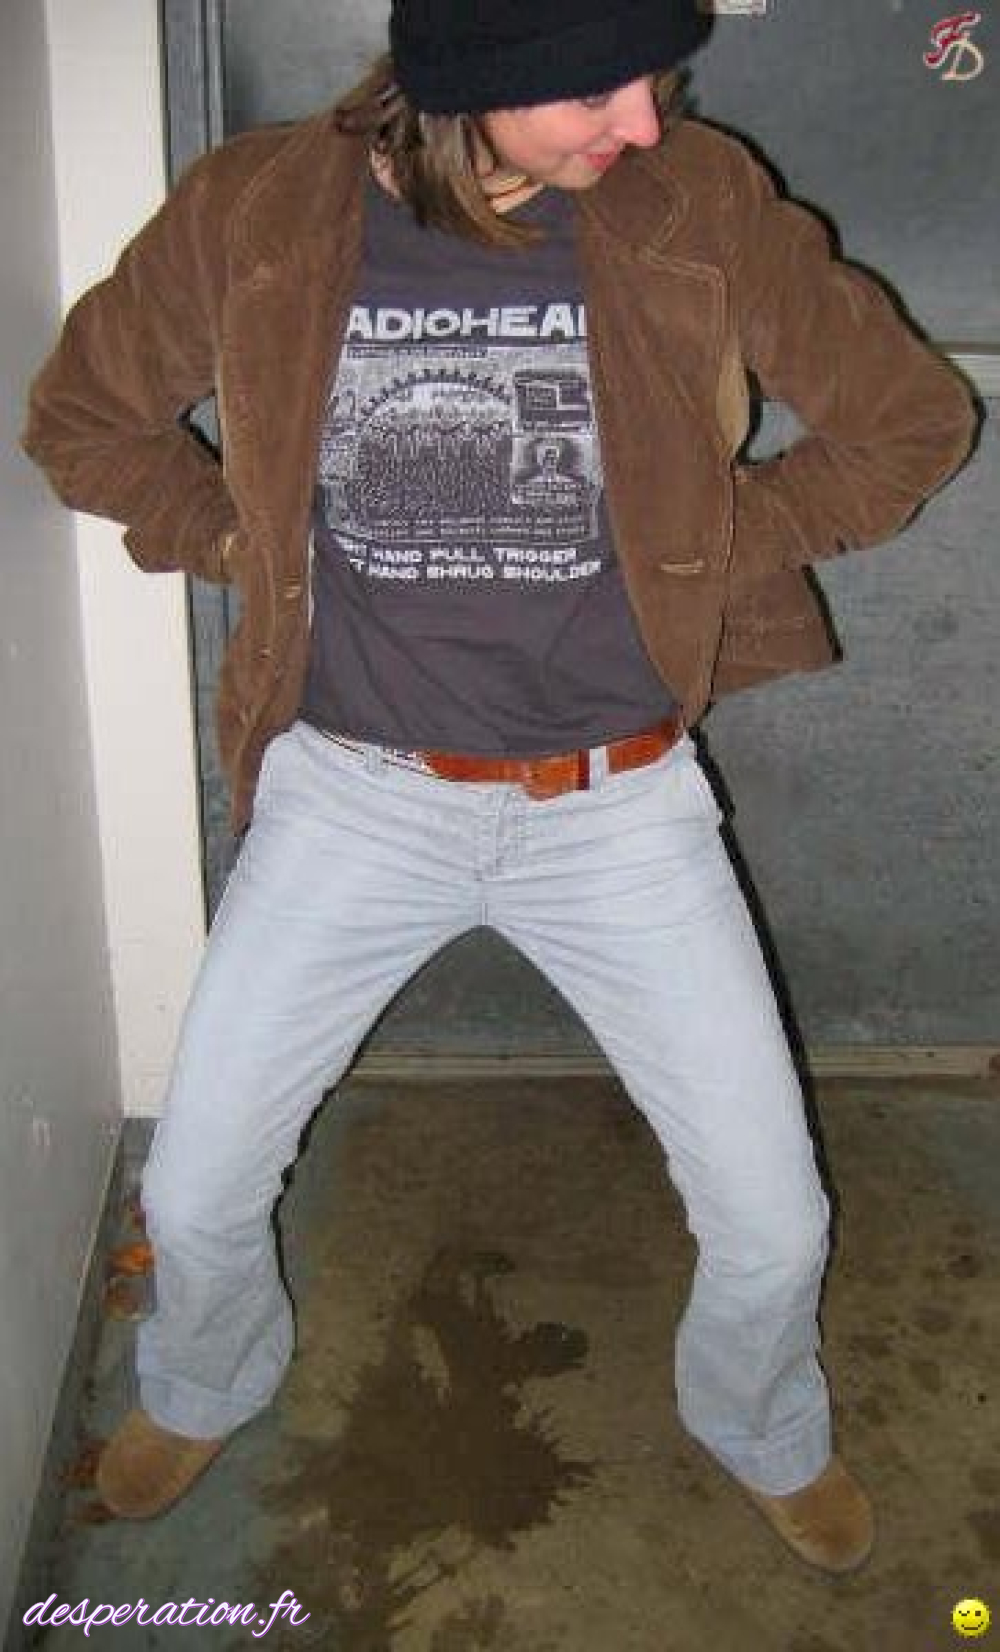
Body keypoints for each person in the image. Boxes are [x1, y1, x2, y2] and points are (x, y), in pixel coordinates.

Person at [23, 0, 975, 1573]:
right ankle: (202, 1381)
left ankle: (761, 1423)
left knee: (775, 1218)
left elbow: (910, 422)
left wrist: (709, 543)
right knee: (192, 1192)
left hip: (619, 805)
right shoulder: (261, 208)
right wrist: (243, 541)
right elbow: (82, 422)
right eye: (598, 91)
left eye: (653, 80)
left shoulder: (695, 200)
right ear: (466, 87)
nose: (645, 122)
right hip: (355, 793)